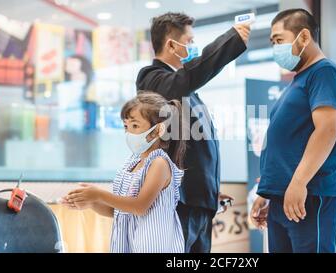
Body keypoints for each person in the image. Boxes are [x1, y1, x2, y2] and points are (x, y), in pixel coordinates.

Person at [136, 12, 250, 253]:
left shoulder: (186, 90)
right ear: (170, 45)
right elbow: (188, 78)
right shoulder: (152, 79)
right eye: (189, 41)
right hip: (177, 203)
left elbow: (195, 148)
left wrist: (209, 189)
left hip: (198, 202)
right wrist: (230, 40)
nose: (192, 47)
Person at [250, 9, 336, 253]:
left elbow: (327, 131)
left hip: (309, 195)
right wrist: (268, 192)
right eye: (272, 42)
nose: (275, 48)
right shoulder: (298, 80)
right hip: (283, 197)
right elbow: (287, 141)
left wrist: (299, 181)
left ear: (304, 37)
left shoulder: (325, 73)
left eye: (279, 40)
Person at [62, 91, 186, 253]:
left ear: (157, 131)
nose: (128, 133)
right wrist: (91, 202)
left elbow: (139, 207)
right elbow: (119, 210)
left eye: (135, 126)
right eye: (126, 126)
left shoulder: (159, 164)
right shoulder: (132, 163)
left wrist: (98, 194)